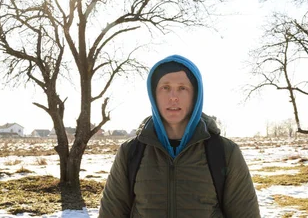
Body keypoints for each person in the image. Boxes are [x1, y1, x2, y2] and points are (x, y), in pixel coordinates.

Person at [99, 55, 260, 217]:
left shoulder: (224, 152)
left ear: (195, 96)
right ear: (154, 95)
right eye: (165, 88)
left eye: (182, 88)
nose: (173, 97)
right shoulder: (131, 152)